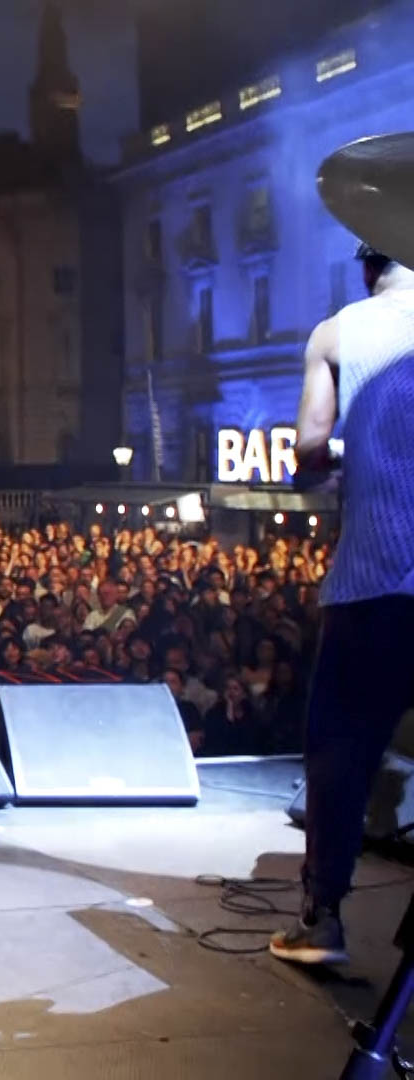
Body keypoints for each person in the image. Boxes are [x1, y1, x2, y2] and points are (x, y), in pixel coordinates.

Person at [272, 242, 414, 966]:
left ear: (368, 264)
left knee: (342, 750)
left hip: (375, 580)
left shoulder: (339, 332)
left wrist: (342, 467)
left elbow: (309, 448)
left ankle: (321, 916)